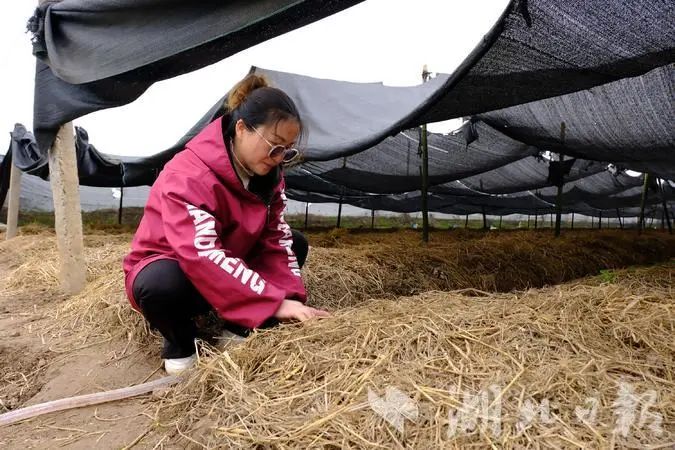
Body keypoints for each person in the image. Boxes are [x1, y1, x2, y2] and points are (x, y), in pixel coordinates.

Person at [122, 74, 330, 375]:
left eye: (287, 149)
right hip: (180, 267)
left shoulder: (270, 178)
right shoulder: (189, 174)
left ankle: (238, 326)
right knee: (160, 285)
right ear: (242, 129)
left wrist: (287, 298)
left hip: (227, 263)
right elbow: (201, 252)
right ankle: (181, 341)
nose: (279, 158)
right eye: (274, 146)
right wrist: (271, 303)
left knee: (295, 241)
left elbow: (275, 238)